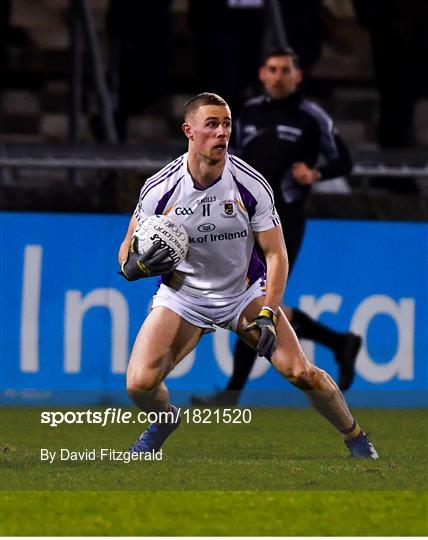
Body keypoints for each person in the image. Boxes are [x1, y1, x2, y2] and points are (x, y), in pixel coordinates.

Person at [118, 92, 378, 459]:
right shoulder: (160, 188)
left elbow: (276, 255)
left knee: (301, 372)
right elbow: (127, 248)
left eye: (226, 124)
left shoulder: (249, 184)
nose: (222, 132)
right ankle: (164, 421)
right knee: (139, 386)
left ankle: (356, 438)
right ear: (188, 131)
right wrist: (134, 266)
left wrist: (269, 312)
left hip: (242, 294)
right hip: (183, 296)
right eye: (212, 124)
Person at [191, 48, 361, 408]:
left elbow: (344, 160)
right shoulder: (248, 113)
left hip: (285, 221)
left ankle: (232, 394)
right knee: (259, 300)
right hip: (242, 220)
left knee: (255, 299)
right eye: (272, 69)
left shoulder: (311, 116)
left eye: (286, 69)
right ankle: (337, 342)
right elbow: (227, 157)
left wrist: (316, 174)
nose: (279, 75)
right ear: (262, 74)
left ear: (297, 76)